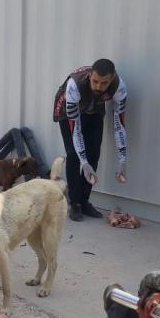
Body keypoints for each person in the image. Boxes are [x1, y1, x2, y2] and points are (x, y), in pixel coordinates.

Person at [53, 59, 127, 221]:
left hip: (94, 107)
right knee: (74, 154)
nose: (98, 86)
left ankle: (84, 201)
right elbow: (76, 131)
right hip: (69, 109)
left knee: (94, 153)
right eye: (95, 81)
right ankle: (75, 203)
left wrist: (122, 159)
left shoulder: (119, 87)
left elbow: (119, 124)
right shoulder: (74, 86)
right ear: (89, 76)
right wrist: (83, 162)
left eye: (104, 83)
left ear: (112, 78)